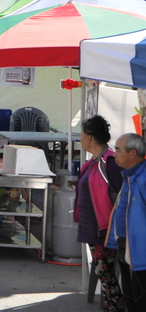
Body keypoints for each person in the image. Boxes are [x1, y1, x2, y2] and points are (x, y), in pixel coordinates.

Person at [75, 116, 125, 312]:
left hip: (104, 229)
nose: (80, 137)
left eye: (81, 134)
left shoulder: (109, 161)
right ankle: (111, 307)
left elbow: (121, 194)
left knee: (105, 273)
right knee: (103, 272)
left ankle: (116, 307)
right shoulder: (95, 161)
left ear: (88, 137)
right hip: (93, 228)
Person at [107, 133, 146, 312]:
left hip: (140, 251)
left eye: (117, 150)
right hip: (126, 246)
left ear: (132, 153)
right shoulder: (129, 176)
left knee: (140, 299)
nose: (114, 154)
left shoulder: (142, 178)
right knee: (130, 296)